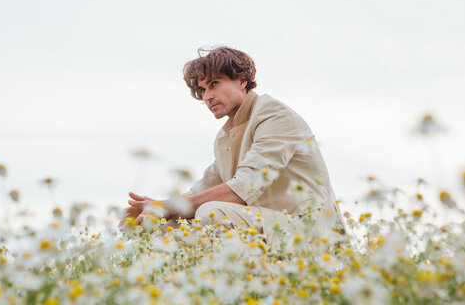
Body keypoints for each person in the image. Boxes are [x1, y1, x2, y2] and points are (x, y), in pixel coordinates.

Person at [119, 47, 345, 239]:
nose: (207, 96)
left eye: (214, 84)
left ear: (241, 81)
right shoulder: (225, 135)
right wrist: (154, 211)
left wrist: (167, 207)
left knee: (211, 213)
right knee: (162, 227)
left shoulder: (274, 114)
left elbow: (244, 187)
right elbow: (200, 189)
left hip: (312, 229)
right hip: (268, 226)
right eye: (203, 89)